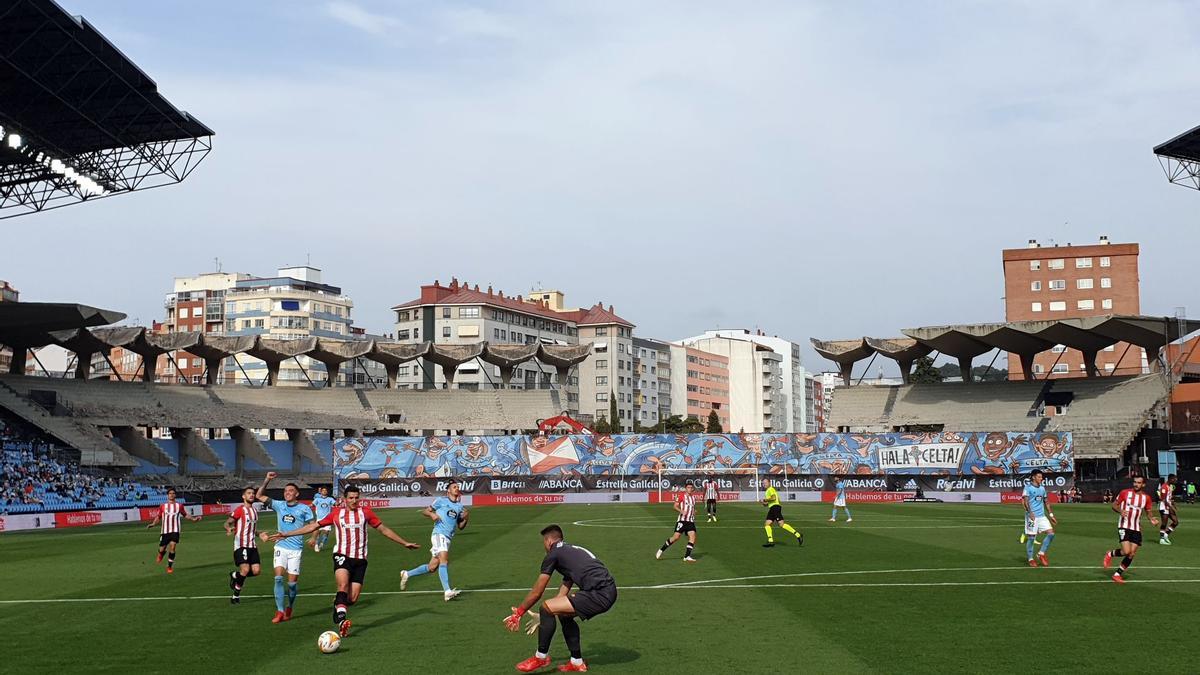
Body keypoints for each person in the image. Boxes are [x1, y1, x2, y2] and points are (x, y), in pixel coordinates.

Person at [270, 484, 420, 637]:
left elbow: (384, 530)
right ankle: (342, 622)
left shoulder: (366, 513)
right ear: (344, 499)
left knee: (352, 598)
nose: (354, 501)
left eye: (356, 498)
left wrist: (404, 542)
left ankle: (338, 604)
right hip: (342, 555)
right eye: (351, 498)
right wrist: (286, 534)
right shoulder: (336, 514)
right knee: (342, 585)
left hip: (360, 558)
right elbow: (313, 526)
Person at [503, 524, 617, 673]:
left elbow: (537, 591)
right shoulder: (570, 551)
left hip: (599, 593)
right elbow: (563, 591)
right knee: (561, 614)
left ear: (549, 541)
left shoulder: (553, 554)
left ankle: (541, 657)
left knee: (546, 606)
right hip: (607, 591)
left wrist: (519, 613)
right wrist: (545, 616)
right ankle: (576, 662)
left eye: (543, 542)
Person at [255, 472, 315, 623]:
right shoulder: (279, 505)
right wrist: (267, 479)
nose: (287, 493)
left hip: (296, 550)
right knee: (278, 578)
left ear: (297, 493)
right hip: (280, 546)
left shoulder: (304, 509)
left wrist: (314, 538)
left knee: (292, 585)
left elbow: (314, 525)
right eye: (285, 491)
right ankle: (280, 611)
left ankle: (289, 607)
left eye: (291, 491)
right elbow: (259, 496)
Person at [401, 479, 469, 601]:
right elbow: (425, 511)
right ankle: (447, 591)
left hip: (448, 538)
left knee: (432, 567)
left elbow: (461, 527)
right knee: (444, 560)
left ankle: (407, 574)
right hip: (439, 534)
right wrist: (432, 514)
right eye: (454, 487)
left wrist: (466, 518)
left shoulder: (459, 507)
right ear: (448, 490)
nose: (457, 488)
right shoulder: (441, 501)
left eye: (458, 487)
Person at [1103, 475, 1160, 584]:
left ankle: (1117, 574)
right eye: (1134, 482)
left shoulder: (1146, 498)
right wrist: (1121, 511)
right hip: (1124, 525)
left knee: (1131, 553)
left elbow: (1148, 511)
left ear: (1143, 484)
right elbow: (1114, 505)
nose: (1136, 484)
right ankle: (1110, 554)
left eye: (1138, 483)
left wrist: (1152, 519)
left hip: (1136, 528)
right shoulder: (1125, 492)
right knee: (1126, 551)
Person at [145, 487, 200, 574]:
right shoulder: (163, 506)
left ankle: (169, 566)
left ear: (175, 495)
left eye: (173, 493)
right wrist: (153, 524)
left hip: (175, 530)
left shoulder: (179, 506)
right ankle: (161, 554)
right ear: (168, 495)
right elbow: (158, 517)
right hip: (165, 531)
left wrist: (193, 519)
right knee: (162, 548)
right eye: (170, 493)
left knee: (173, 546)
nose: (171, 495)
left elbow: (185, 515)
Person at [226, 486, 262, 604]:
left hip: (252, 545)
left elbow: (252, 530)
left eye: (253, 493)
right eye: (249, 493)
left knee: (256, 571)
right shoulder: (240, 510)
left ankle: (235, 575)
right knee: (245, 569)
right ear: (244, 496)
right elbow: (228, 522)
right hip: (241, 545)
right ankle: (235, 596)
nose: (251, 495)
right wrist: (228, 528)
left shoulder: (255, 512)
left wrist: (260, 534)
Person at [656, 482, 698, 562]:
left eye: (691, 487)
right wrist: (681, 511)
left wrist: (694, 511)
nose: (690, 489)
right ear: (686, 488)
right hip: (682, 521)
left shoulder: (693, 498)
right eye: (688, 487)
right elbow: (675, 506)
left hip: (690, 521)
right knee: (675, 537)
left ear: (692, 489)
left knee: (693, 536)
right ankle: (661, 550)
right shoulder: (682, 496)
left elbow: (692, 507)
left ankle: (687, 556)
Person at [1022, 470, 1056, 566]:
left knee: (1051, 534)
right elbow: (1026, 501)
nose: (1041, 479)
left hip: (1041, 516)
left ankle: (1041, 553)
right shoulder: (1028, 488)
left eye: (1041, 477)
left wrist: (1051, 515)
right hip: (1032, 516)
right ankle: (1030, 559)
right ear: (1033, 477)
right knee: (1032, 538)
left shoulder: (1042, 488)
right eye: (1039, 477)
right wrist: (1030, 513)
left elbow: (1046, 501)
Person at [761, 479, 803, 547]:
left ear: (769, 482)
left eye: (765, 483)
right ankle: (770, 541)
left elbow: (774, 498)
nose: (764, 484)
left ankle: (798, 535)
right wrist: (763, 503)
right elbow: (768, 503)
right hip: (773, 508)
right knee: (767, 524)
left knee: (781, 524)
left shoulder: (770, 489)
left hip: (775, 508)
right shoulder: (768, 491)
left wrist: (765, 499)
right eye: (763, 483)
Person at [309, 485, 338, 552]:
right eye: (323, 490)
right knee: (318, 532)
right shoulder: (317, 499)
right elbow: (312, 505)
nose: (324, 492)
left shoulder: (330, 499)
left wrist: (339, 502)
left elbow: (335, 503)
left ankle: (321, 544)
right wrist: (308, 506)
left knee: (326, 533)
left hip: (328, 519)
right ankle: (316, 545)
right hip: (319, 519)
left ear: (327, 492)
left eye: (325, 490)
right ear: (321, 492)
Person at [1158, 474, 1179, 545]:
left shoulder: (1170, 486)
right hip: (1163, 507)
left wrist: (1173, 504)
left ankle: (1166, 535)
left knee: (1176, 522)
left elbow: (1169, 498)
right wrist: (1170, 508)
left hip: (1168, 506)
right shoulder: (1164, 487)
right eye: (1174, 479)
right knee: (1164, 523)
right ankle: (1161, 539)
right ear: (1170, 479)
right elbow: (1163, 499)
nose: (1175, 480)